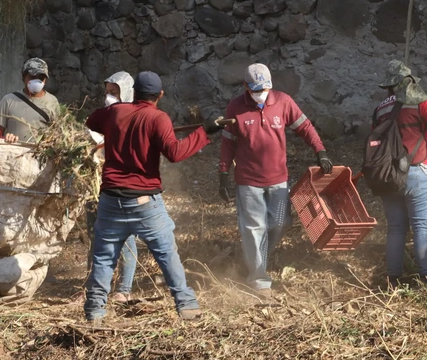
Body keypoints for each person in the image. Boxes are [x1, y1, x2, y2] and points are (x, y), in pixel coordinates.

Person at [84, 71, 224, 321]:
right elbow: (175, 153)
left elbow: (91, 122)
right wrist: (205, 132)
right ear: (160, 95)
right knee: (167, 254)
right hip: (144, 201)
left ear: (134, 92)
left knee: (104, 258)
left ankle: (95, 311)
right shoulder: (158, 118)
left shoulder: (115, 112)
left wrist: (116, 123)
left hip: (111, 201)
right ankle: (187, 305)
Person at [218, 63, 332, 298]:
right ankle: (259, 279)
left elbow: (305, 127)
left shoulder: (282, 101)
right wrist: (223, 173)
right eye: (256, 89)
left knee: (280, 223)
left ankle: (255, 259)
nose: (261, 94)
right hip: (248, 181)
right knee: (254, 228)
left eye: (264, 89)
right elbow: (228, 143)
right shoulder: (235, 107)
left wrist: (320, 151)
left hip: (278, 179)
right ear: (245, 87)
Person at [372, 60, 427, 286]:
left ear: (388, 86)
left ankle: (393, 278)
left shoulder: (380, 109)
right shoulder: (420, 104)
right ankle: (425, 276)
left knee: (395, 228)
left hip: (388, 177)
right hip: (415, 172)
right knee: (421, 225)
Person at [86, 71, 138, 303]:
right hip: (96, 185)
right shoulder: (102, 118)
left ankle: (124, 289)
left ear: (125, 94)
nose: (109, 97)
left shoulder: (135, 119)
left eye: (114, 93)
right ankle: (94, 287)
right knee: (96, 237)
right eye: (107, 93)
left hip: (123, 186)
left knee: (126, 236)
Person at [0, 58, 61, 142]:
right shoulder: (8, 100)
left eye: (41, 78)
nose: (37, 81)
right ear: (23, 77)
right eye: (32, 77)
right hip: (14, 153)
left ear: (45, 80)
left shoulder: (52, 101)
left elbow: (57, 134)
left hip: (40, 153)